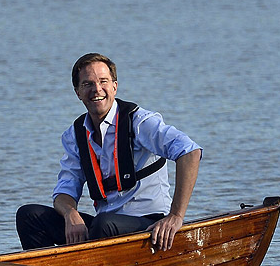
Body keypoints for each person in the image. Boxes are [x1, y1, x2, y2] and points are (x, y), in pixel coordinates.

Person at [16, 53, 202, 252]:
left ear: (115, 86)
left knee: (103, 225)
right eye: (87, 84)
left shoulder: (140, 122)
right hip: (103, 227)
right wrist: (71, 213)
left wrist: (175, 216)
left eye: (103, 81)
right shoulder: (75, 135)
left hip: (147, 224)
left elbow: (190, 152)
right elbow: (63, 193)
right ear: (77, 92)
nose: (97, 89)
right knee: (28, 215)